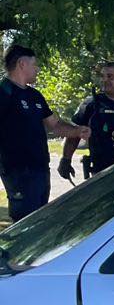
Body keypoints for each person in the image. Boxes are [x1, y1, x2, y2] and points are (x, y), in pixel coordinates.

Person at [0, 45, 88, 220]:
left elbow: (55, 124)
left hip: (40, 168)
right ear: (22, 64)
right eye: (34, 65)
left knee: (41, 220)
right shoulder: (4, 92)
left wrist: (77, 131)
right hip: (18, 171)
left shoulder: (35, 95)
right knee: (25, 223)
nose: (37, 69)